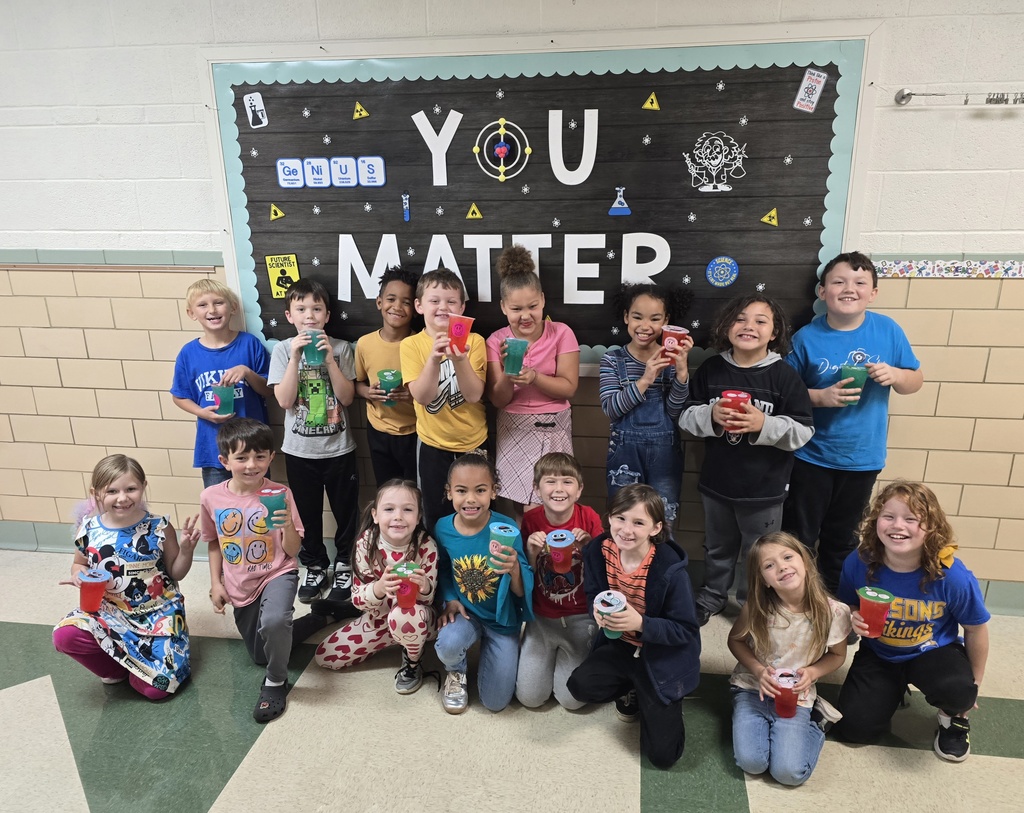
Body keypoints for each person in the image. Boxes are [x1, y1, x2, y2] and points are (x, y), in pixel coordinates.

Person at [782, 251, 923, 594]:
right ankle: (794, 599)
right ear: (822, 291)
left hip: (863, 458)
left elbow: (915, 381)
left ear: (872, 293)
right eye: (839, 281)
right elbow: (785, 393)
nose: (850, 289)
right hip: (810, 456)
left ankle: (834, 602)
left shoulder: (888, 330)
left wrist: (896, 374)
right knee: (799, 535)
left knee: (842, 537)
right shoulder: (805, 338)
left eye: (860, 283)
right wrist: (821, 397)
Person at [679, 295, 814, 626]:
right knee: (717, 547)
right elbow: (685, 416)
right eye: (740, 319)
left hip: (764, 489)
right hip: (717, 484)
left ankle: (753, 604)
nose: (749, 326)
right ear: (726, 327)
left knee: (761, 552)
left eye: (760, 321)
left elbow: (803, 431)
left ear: (774, 332)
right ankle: (712, 594)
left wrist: (763, 425)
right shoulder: (712, 368)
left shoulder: (784, 376)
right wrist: (710, 414)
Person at [836, 481, 990, 762]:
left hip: (933, 651)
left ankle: (951, 720)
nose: (898, 526)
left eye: (911, 519)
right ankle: (892, 690)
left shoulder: (951, 575)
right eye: (888, 516)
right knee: (854, 729)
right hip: (879, 653)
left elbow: (976, 628)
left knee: (959, 691)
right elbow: (848, 604)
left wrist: (974, 685)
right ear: (876, 521)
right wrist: (852, 616)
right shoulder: (859, 561)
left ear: (931, 527)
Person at [199, 419, 328, 723]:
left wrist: (285, 525)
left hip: (277, 572)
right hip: (239, 582)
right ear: (224, 461)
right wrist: (216, 584)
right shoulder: (211, 498)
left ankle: (275, 682)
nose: (251, 465)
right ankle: (321, 617)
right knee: (261, 653)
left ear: (271, 458)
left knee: (274, 622)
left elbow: (294, 551)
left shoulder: (281, 493)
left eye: (259, 457)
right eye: (241, 458)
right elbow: (214, 543)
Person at [567, 484, 701, 769]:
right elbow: (593, 593)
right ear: (609, 518)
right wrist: (597, 612)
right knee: (579, 686)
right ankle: (632, 687)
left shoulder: (671, 571)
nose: (626, 530)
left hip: (661, 655)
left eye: (638, 522)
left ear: (656, 528)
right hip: (620, 645)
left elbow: (686, 631)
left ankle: (655, 695)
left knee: (664, 757)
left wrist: (641, 623)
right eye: (620, 518)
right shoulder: (596, 552)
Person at [53, 455, 199, 700]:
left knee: (156, 689)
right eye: (112, 491)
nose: (122, 498)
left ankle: (138, 668)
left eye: (131, 489)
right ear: (96, 493)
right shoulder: (88, 528)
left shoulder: (160, 527)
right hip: (112, 612)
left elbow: (176, 573)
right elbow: (78, 563)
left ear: (143, 487)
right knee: (65, 635)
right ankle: (117, 668)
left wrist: (186, 550)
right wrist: (79, 574)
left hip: (158, 616)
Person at [728, 532, 851, 786]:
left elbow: (837, 655)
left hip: (797, 694)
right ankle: (749, 718)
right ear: (763, 580)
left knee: (789, 774)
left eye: (787, 557)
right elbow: (735, 640)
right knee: (752, 763)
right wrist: (758, 670)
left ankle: (816, 723)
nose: (782, 566)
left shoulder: (834, 612)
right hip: (753, 688)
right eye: (769, 565)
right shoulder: (757, 607)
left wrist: (814, 672)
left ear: (805, 561)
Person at [268, 279, 358, 606]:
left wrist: (331, 359)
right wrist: (294, 358)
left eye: (316, 309)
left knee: (346, 511)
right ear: (289, 315)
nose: (309, 315)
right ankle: (315, 565)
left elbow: (347, 398)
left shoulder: (342, 348)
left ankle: (346, 562)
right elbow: (284, 400)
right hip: (299, 451)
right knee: (306, 514)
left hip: (339, 450)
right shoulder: (281, 350)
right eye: (301, 309)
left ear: (327, 315)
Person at [314, 479, 438, 695]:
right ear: (375, 515)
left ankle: (412, 662)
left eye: (407, 510)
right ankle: (395, 638)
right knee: (326, 657)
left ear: (418, 517)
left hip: (418, 620)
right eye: (389, 509)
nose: (398, 516)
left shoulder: (426, 546)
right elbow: (358, 599)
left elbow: (428, 601)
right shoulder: (366, 543)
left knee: (406, 615)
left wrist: (425, 586)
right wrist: (379, 588)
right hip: (378, 619)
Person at [433, 454, 533, 714]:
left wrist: (515, 571)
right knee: (448, 643)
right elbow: (443, 567)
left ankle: (504, 652)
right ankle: (456, 671)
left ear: (494, 492)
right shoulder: (443, 528)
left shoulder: (507, 527)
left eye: (480, 490)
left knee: (496, 703)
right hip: (466, 612)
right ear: (449, 492)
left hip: (501, 619)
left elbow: (522, 591)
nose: (470, 499)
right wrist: (450, 598)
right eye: (461, 491)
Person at [486, 245, 579, 519]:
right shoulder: (495, 341)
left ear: (543, 300)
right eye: (516, 308)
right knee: (520, 508)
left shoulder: (561, 333)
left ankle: (549, 559)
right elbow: (499, 399)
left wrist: (535, 378)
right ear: (503, 307)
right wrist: (507, 373)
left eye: (532, 306)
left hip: (555, 427)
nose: (525, 316)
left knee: (553, 504)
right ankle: (525, 560)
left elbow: (569, 388)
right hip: (513, 427)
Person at [401, 268, 487, 530]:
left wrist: (460, 358)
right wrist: (434, 359)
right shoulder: (411, 345)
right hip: (432, 445)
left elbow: (473, 395)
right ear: (419, 305)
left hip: (474, 443)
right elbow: (423, 396)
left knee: (477, 510)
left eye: (451, 302)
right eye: (434, 300)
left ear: (462, 307)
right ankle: (440, 566)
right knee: (436, 514)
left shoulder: (475, 341)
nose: (443, 307)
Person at [516, 452, 604, 709]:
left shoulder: (588, 517)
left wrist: (589, 546)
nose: (558, 489)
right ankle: (546, 658)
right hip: (541, 618)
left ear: (579, 490)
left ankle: (586, 652)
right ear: (536, 488)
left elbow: (603, 573)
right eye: (550, 481)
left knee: (571, 701)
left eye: (567, 482)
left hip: (579, 617)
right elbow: (524, 577)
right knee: (530, 698)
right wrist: (531, 553)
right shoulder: (532, 521)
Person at [599, 283, 693, 524]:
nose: (645, 326)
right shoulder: (613, 359)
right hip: (624, 454)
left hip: (665, 454)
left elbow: (674, 413)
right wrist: (646, 379)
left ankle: (662, 562)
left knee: (664, 519)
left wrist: (681, 373)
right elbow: (612, 409)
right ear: (626, 318)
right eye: (637, 317)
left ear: (666, 321)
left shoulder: (671, 359)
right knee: (623, 520)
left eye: (655, 319)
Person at [171, 279, 272, 488]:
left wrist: (247, 372)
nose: (212, 310)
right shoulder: (189, 353)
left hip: (253, 446)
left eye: (218, 303)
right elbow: (179, 396)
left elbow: (268, 391)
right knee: (221, 510)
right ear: (191, 313)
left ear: (232, 307)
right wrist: (202, 413)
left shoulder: (249, 344)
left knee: (258, 506)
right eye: (202, 305)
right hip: (213, 445)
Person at [355, 266, 421, 486]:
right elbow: (358, 383)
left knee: (415, 491)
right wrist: (368, 392)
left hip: (416, 431)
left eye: (406, 302)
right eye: (391, 299)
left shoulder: (419, 344)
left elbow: (429, 389)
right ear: (379, 302)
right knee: (386, 490)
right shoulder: (365, 343)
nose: (397, 307)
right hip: (378, 430)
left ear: (415, 308)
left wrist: (411, 394)